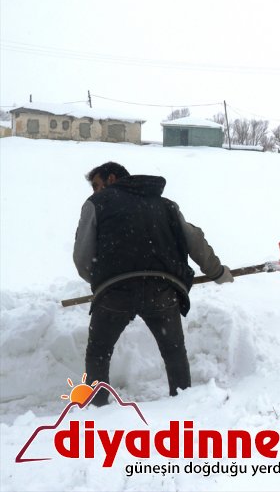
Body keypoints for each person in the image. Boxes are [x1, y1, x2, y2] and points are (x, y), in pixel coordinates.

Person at [73, 162, 233, 406]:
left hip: (115, 292)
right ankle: (183, 407)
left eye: (97, 185)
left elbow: (82, 257)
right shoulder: (166, 205)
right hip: (162, 290)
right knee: (174, 353)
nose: (95, 191)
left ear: (112, 178)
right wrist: (217, 271)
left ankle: (97, 411)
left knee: (98, 354)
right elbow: (194, 240)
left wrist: (101, 282)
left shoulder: (97, 203)